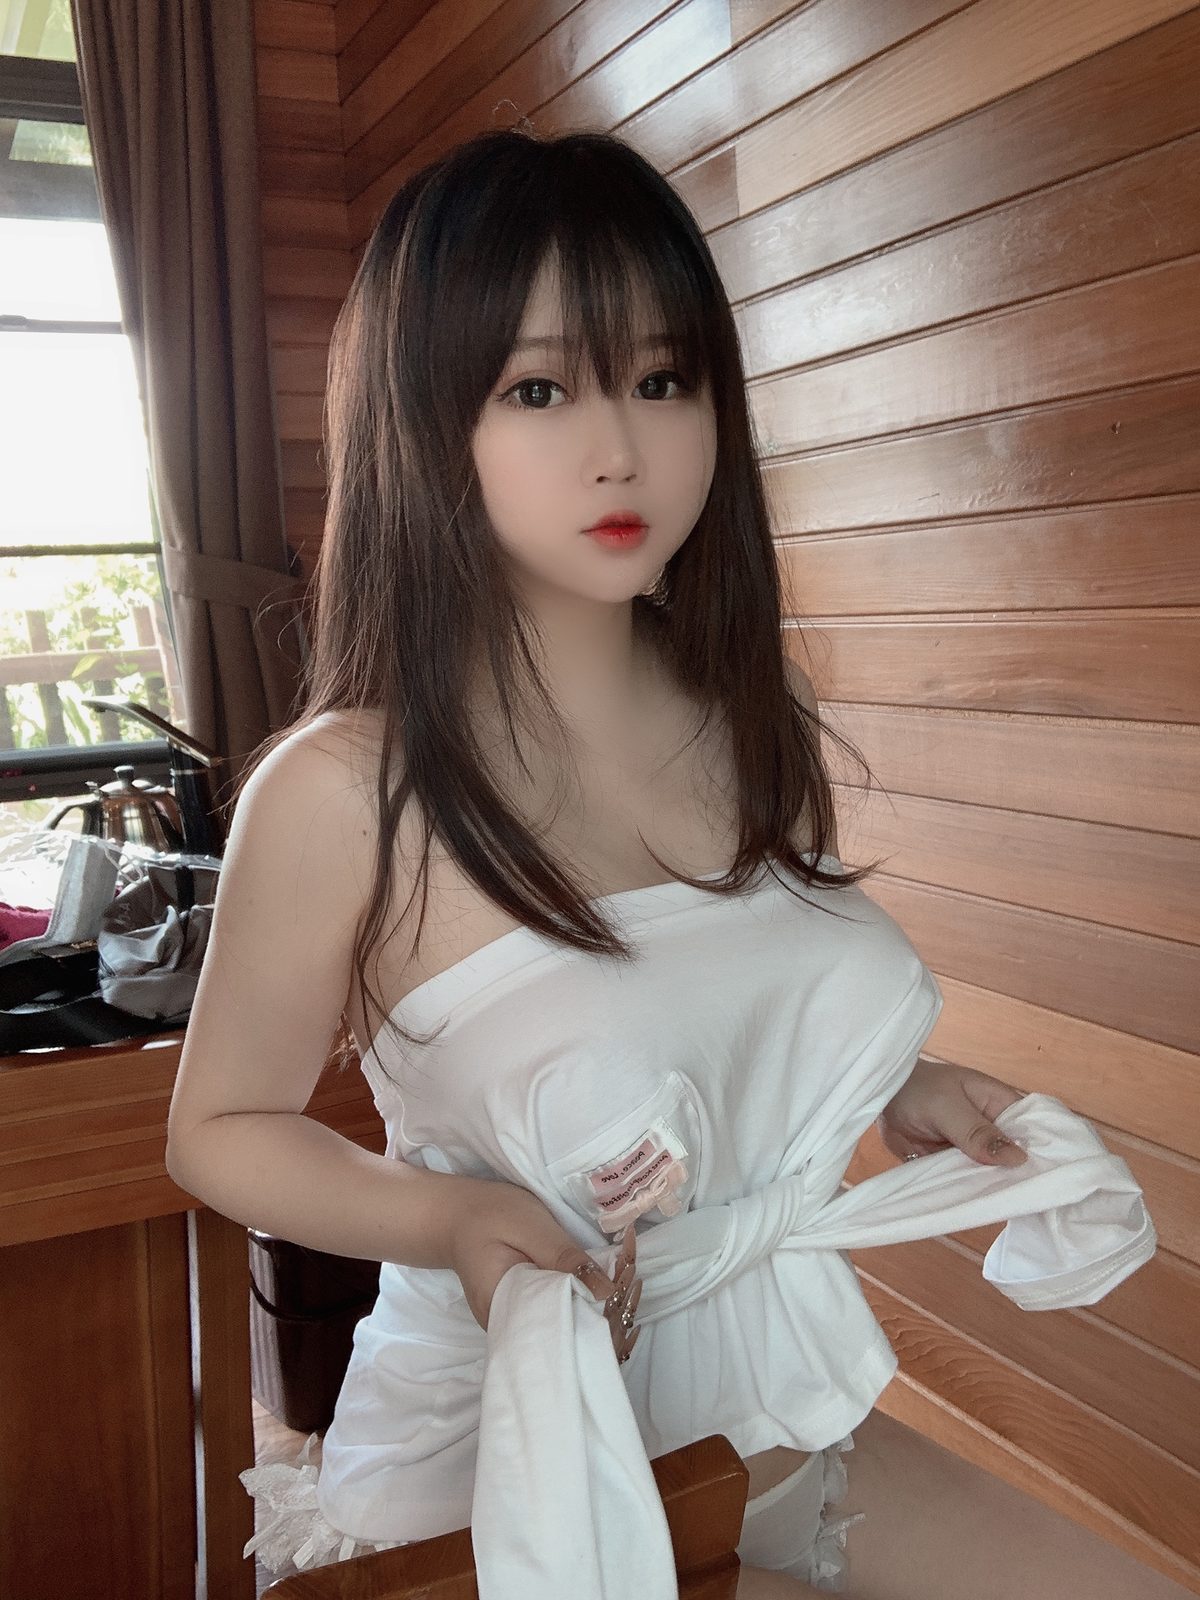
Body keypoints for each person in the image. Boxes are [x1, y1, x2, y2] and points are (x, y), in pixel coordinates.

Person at [165, 127, 1035, 1596]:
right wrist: (449, 1217)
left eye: (664, 379)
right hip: (500, 1454)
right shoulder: (342, 788)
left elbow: (731, 1018)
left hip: (757, 1405)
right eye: (540, 388)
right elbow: (220, 1128)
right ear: (425, 423)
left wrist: (899, 1088)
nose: (621, 446)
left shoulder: (757, 719)